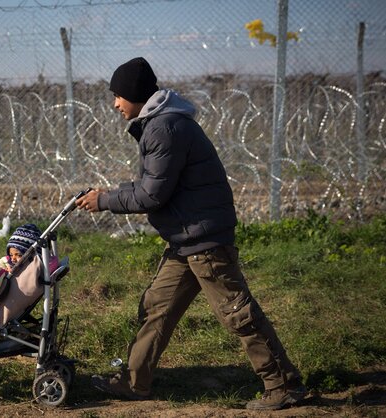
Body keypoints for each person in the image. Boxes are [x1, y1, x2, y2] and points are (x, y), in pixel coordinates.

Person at [76, 57, 306, 411]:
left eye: (118, 95)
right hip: (187, 239)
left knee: (238, 314)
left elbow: (153, 193)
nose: (115, 103)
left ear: (135, 94)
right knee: (157, 307)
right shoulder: (161, 123)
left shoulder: (163, 128)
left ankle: (284, 386)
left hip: (204, 241)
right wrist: (112, 193)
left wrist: (105, 200)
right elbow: (157, 183)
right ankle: (135, 383)